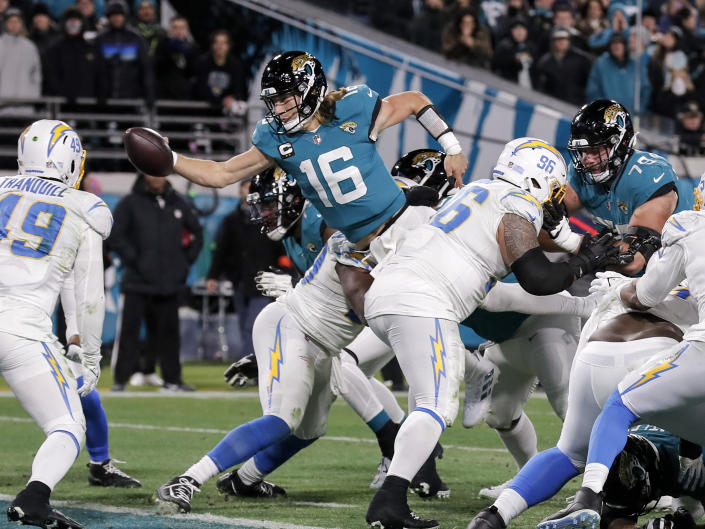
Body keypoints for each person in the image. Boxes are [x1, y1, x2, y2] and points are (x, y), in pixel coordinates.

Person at [362, 138, 618, 528]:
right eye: (553, 189)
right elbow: (537, 277)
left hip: (388, 293)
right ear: (538, 180)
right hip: (423, 300)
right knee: (436, 406)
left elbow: (498, 291)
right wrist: (584, 263)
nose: (553, 200)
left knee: (427, 400)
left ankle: (395, 493)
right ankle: (389, 499)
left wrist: (577, 264)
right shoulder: (518, 204)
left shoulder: (478, 192)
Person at [142, 49, 468, 251]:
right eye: (274, 101)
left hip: (405, 226)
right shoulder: (275, 139)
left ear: (309, 88)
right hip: (359, 248)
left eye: (286, 99)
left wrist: (452, 147)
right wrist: (172, 160)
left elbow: (413, 100)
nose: (279, 109)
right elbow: (222, 173)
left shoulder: (352, 107)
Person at [537, 196, 705, 529]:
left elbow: (646, 294)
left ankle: (588, 497)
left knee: (620, 402)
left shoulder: (692, 227)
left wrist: (622, 289)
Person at [2, 119, 111, 529]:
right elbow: (90, 295)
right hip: (22, 329)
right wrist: (91, 355)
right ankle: (34, 497)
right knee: (66, 425)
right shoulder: (85, 208)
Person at [545, 99, 692, 277]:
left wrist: (572, 242)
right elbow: (541, 228)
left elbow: (633, 259)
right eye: (583, 151)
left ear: (621, 143)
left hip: (684, 273)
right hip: (628, 277)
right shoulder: (581, 176)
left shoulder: (647, 174)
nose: (587, 159)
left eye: (595, 150)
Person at [108, 172, 203, 392]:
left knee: (169, 334)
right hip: (137, 283)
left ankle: (173, 380)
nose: (158, 177)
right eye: (153, 172)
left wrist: (183, 262)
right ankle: (120, 381)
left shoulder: (178, 202)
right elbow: (116, 236)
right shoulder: (129, 203)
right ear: (143, 175)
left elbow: (197, 232)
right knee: (129, 333)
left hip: (169, 283)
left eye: (161, 172)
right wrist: (136, 260)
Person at [59, 272, 141, 488]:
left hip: (35, 338)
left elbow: (68, 288)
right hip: (15, 332)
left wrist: (73, 336)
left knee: (88, 396)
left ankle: (100, 465)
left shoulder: (56, 256)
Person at [206, 179, 284, 359]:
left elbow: (281, 248)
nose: (248, 192)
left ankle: (252, 366)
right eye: (245, 188)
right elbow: (221, 250)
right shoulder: (231, 220)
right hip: (240, 279)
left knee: (254, 324)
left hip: (265, 280)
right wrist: (213, 276)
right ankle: (258, 364)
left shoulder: (271, 218)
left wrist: (281, 272)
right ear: (240, 192)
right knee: (244, 324)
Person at [95, 0, 155, 105]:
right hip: (105, 98)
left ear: (125, 16)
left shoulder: (136, 38)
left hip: (131, 97)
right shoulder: (101, 39)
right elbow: (96, 68)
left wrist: (149, 93)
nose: (116, 18)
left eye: (119, 15)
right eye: (113, 15)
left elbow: (145, 68)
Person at [44, 7, 102, 101]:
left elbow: (99, 75)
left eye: (76, 20)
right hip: (63, 104)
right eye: (71, 20)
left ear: (82, 22)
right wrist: (63, 93)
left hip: (87, 103)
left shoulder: (91, 49)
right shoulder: (54, 50)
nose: (74, 23)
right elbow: (51, 78)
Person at [532, 25, 592, 105]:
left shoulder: (581, 59)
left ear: (569, 41)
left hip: (576, 103)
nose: (561, 42)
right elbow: (540, 86)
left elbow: (589, 84)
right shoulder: (545, 62)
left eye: (564, 39)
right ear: (553, 42)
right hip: (552, 105)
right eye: (558, 39)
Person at [193, 29, 248, 114]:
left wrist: (232, 98)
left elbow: (239, 89)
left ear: (228, 46)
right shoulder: (203, 63)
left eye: (223, 43)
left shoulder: (235, 65)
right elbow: (200, 89)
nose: (220, 46)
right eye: (217, 43)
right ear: (212, 45)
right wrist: (220, 101)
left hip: (226, 113)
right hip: (204, 112)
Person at [0, 8, 41, 111]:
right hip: (2, 108)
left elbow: (36, 76)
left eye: (17, 21)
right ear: (5, 24)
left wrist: (32, 98)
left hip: (25, 107)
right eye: (11, 21)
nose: (14, 25)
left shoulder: (30, 47)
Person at [154, 15, 198, 100]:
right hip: (164, 98)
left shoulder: (193, 49)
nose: (178, 31)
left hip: (186, 98)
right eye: (175, 27)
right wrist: (170, 48)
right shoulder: (161, 46)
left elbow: (195, 71)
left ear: (187, 30)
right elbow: (157, 68)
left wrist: (186, 52)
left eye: (182, 28)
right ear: (170, 30)